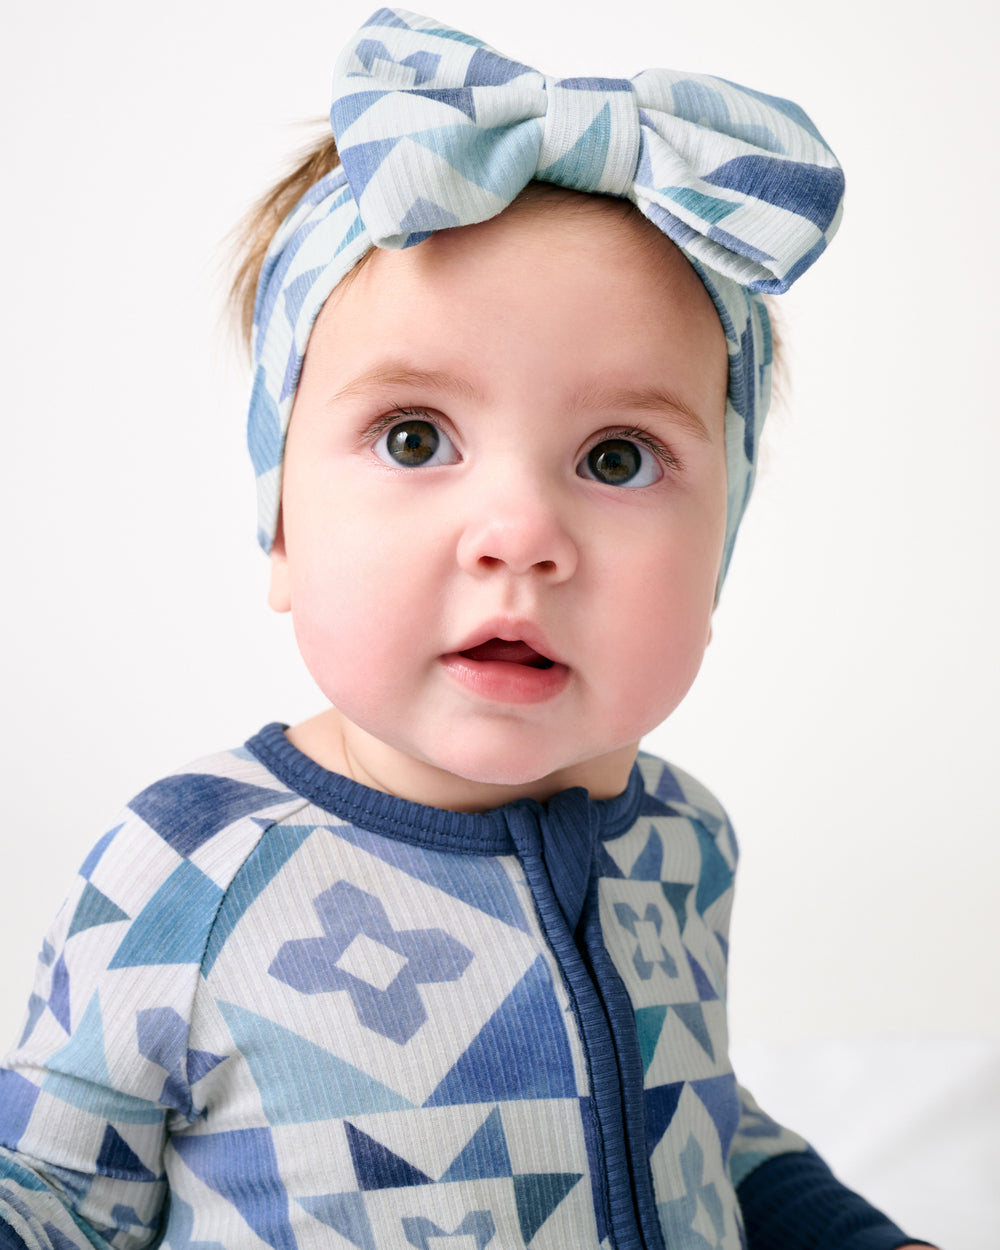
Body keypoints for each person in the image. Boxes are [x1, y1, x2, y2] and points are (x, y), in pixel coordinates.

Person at [0, 9, 937, 1249]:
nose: (519, 532)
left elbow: (698, 1125)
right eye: (413, 438)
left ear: (721, 549)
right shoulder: (193, 868)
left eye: (616, 456)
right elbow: (53, 1193)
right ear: (281, 527)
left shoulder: (679, 840)